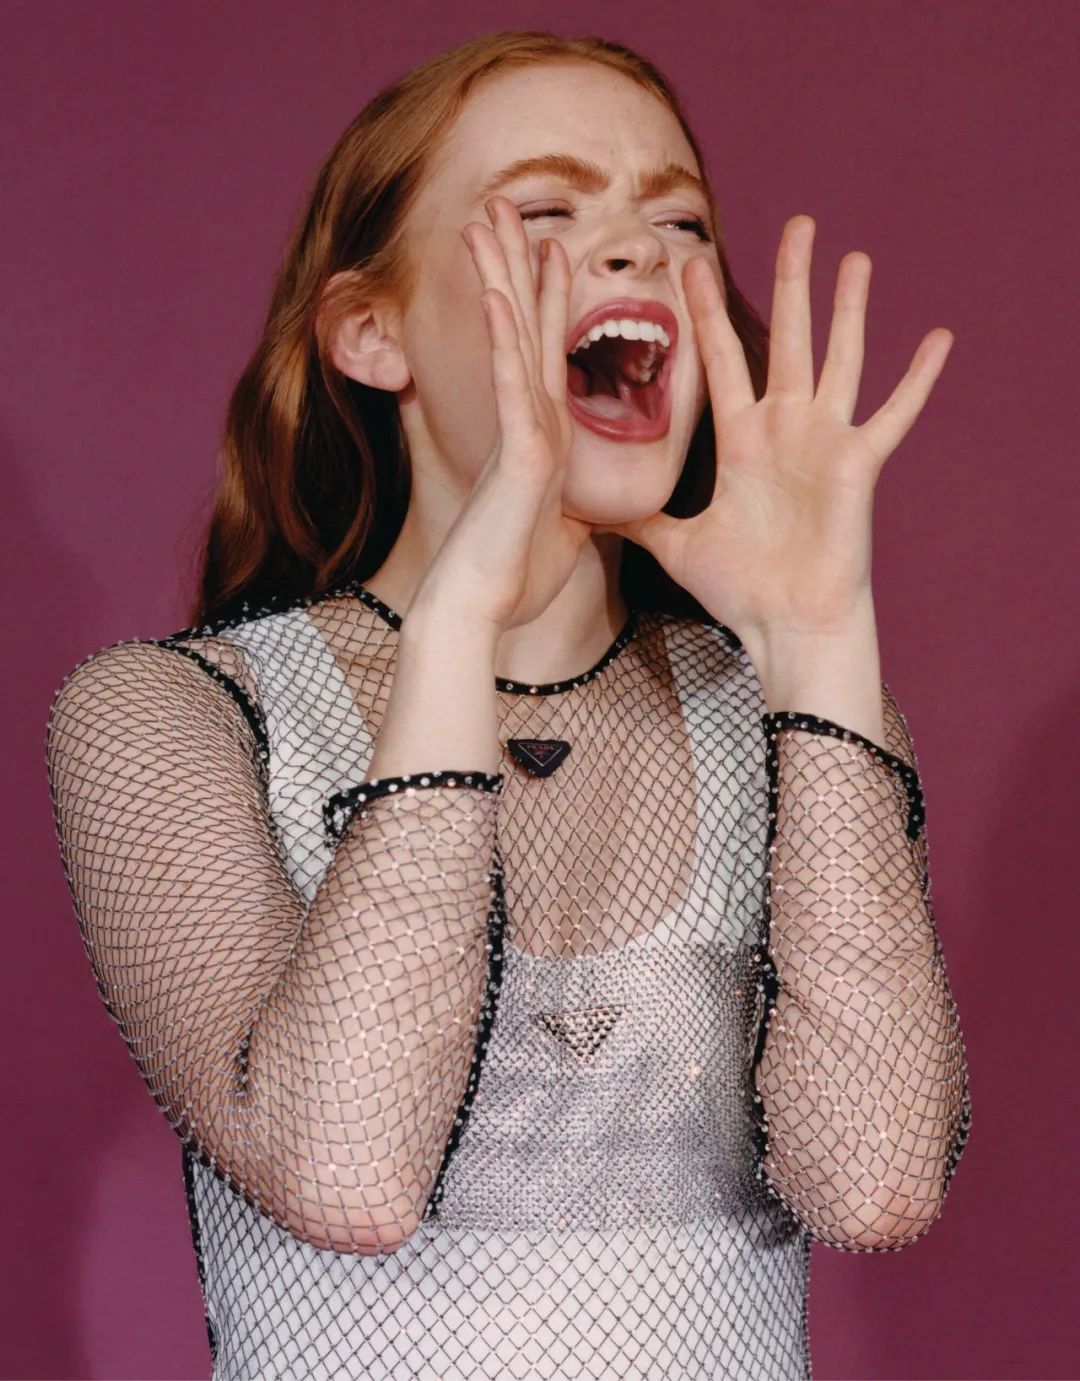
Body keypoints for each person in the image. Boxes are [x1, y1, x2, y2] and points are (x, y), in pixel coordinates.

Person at [43, 28, 972, 1381]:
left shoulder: (789, 712)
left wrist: (821, 643)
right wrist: (460, 622)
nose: (636, 249)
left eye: (680, 222)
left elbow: (875, 1183)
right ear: (372, 333)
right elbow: (347, 1171)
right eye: (546, 212)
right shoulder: (169, 714)